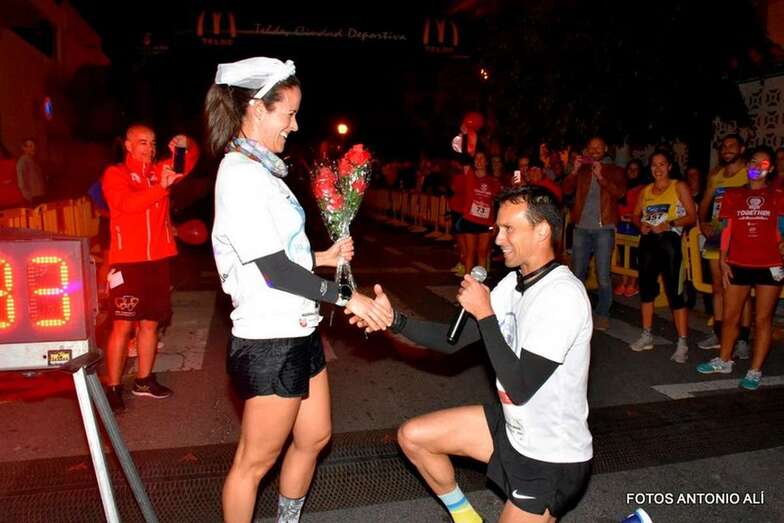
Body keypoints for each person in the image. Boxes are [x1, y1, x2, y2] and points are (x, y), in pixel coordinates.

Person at [204, 56, 392, 523]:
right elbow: (273, 271)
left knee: (314, 437)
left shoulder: (264, 170)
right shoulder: (241, 175)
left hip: (297, 327)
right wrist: (352, 298)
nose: (294, 124)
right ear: (255, 109)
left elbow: (279, 252)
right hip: (269, 337)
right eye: (287, 113)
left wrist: (324, 259)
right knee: (253, 462)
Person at [355, 186, 593, 523]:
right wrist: (395, 320)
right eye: (499, 228)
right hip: (512, 430)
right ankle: (466, 518)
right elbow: (453, 340)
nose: (498, 239)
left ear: (542, 231)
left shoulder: (562, 296)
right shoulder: (514, 284)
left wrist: (484, 313)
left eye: (509, 228)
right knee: (414, 437)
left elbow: (521, 386)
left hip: (551, 457)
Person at [101, 124, 199, 411]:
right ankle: (114, 387)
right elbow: (126, 204)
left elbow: (186, 163)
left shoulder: (158, 171)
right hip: (128, 262)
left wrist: (183, 144)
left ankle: (144, 380)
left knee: (150, 324)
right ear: (128, 146)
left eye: (153, 142)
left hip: (157, 261)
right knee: (122, 325)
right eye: (142, 142)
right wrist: (160, 189)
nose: (149, 147)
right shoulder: (115, 174)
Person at [697, 146, 783, 390]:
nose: (757, 167)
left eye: (763, 164)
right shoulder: (734, 195)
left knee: (763, 318)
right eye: (754, 162)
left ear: (771, 169)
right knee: (730, 315)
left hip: (770, 265)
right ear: (747, 166)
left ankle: (755, 370)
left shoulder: (778, 195)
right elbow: (727, 230)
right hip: (738, 263)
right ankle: (724, 359)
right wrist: (723, 259)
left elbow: (783, 229)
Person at [629, 150, 697, 362]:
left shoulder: (679, 186)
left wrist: (670, 224)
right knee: (647, 292)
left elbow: (692, 216)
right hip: (649, 244)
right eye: (654, 165)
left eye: (662, 164)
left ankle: (682, 343)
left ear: (669, 166)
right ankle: (647, 334)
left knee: (675, 294)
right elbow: (634, 214)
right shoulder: (646, 190)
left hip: (670, 244)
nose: (658, 169)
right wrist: (640, 224)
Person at [562, 136, 626, 331]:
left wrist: (601, 177)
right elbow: (565, 189)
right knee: (577, 273)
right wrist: (573, 170)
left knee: (603, 275)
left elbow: (620, 194)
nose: (594, 150)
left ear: (605, 148)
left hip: (603, 229)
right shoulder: (581, 169)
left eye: (598, 147)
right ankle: (578, 311)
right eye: (591, 147)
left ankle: (602, 313)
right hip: (581, 227)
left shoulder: (615, 170)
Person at [697, 134, 752, 356]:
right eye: (723, 146)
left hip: (742, 236)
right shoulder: (716, 175)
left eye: (732, 146)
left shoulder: (749, 171)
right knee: (718, 287)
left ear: (742, 148)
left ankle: (743, 339)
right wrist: (703, 224)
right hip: (718, 234)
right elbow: (705, 202)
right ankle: (719, 332)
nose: (727, 149)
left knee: (742, 291)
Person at [454, 151, 501, 273]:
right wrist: (466, 136)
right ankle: (468, 282)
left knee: (482, 253)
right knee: (470, 253)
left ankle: (480, 284)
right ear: (473, 162)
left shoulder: (492, 181)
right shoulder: (469, 175)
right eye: (476, 159)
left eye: (482, 158)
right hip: (470, 220)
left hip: (486, 222)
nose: (479, 161)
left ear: (486, 162)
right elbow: (464, 156)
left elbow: (496, 202)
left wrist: (496, 222)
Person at [615, 160, 645, 297]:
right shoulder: (621, 187)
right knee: (622, 255)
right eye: (630, 169)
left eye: (635, 169)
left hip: (635, 226)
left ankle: (633, 283)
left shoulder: (643, 188)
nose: (632, 172)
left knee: (633, 256)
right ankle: (624, 282)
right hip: (621, 226)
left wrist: (633, 216)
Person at [16, 137, 46, 206]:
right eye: (30, 146)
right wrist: (29, 197)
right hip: (33, 198)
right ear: (24, 148)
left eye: (34, 146)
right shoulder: (22, 162)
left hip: (39, 195)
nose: (33, 148)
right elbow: (21, 182)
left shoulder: (34, 160)